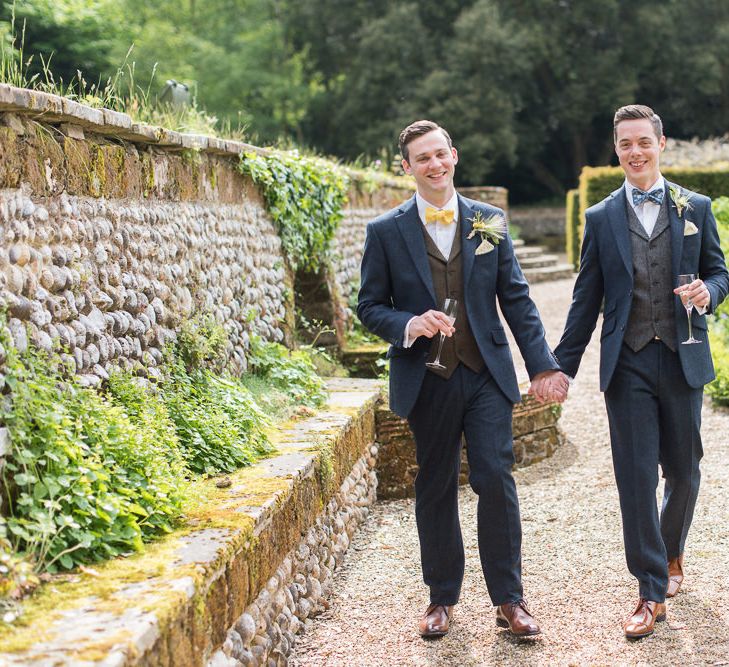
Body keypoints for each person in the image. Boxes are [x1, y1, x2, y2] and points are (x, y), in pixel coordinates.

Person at [357, 119, 568, 639]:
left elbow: (516, 299)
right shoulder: (384, 231)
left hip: (485, 372)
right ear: (406, 168)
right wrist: (408, 323)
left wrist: (542, 364)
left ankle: (509, 600)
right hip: (426, 377)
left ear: (454, 155)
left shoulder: (489, 222)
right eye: (421, 158)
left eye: (439, 154)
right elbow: (369, 306)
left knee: (495, 477)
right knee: (434, 484)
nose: (433, 164)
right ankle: (441, 598)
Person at [539, 104, 728, 638]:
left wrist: (706, 293)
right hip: (627, 362)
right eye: (625, 144)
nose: (635, 152)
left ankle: (670, 553)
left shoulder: (696, 205)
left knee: (685, 471)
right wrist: (560, 369)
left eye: (643, 141)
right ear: (616, 149)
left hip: (683, 355)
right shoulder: (600, 218)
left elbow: (720, 273)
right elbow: (584, 300)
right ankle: (649, 589)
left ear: (660, 143)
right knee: (636, 477)